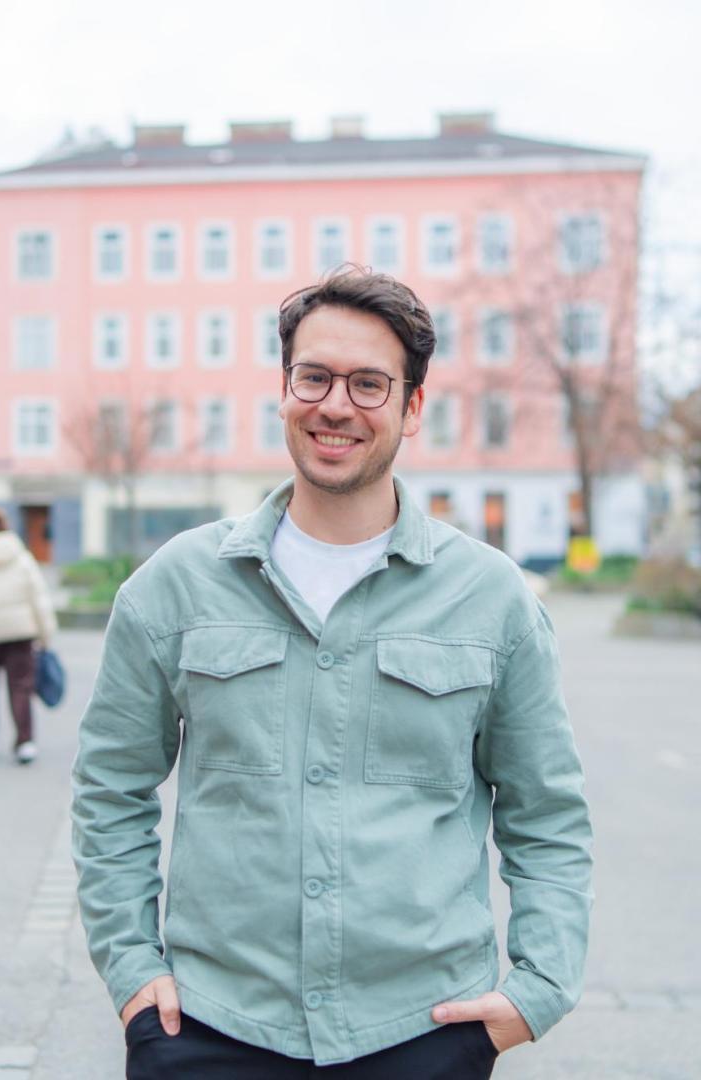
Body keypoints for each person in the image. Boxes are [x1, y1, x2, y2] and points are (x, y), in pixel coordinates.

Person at [72, 267, 592, 1079]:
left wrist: (540, 989)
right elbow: (110, 788)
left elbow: (547, 815)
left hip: (422, 1032)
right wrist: (133, 972)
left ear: (413, 407)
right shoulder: (174, 586)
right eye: (313, 376)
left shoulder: (491, 600)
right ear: (285, 389)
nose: (336, 404)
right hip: (210, 1028)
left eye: (369, 384)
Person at [0, 507, 57, 764]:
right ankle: (24, 742)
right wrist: (46, 636)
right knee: (20, 689)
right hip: (20, 633)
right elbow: (39, 599)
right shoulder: (21, 558)